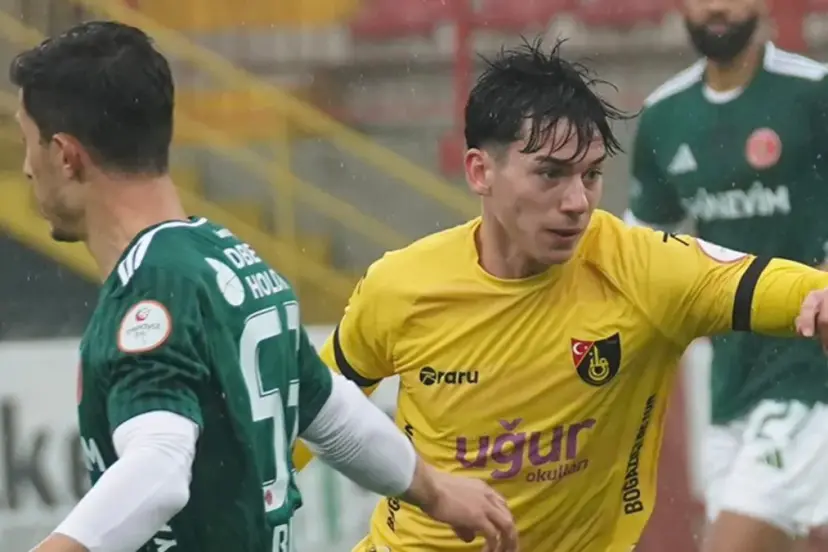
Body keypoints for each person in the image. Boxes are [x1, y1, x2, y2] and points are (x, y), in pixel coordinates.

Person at [290, 37, 828, 552]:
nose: (577, 202)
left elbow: (780, 288)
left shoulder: (641, 269)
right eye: (549, 173)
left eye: (591, 175)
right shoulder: (401, 287)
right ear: (480, 171)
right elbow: (306, 412)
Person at [13, 21, 518, 552]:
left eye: (29, 142)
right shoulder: (230, 259)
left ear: (65, 155)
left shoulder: (152, 290)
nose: (25, 167)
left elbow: (158, 470)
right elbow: (329, 410)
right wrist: (435, 491)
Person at [626, 0, 828, 550]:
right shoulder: (666, 114)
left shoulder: (812, 93)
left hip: (808, 370)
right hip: (728, 377)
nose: (716, 6)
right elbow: (641, 252)